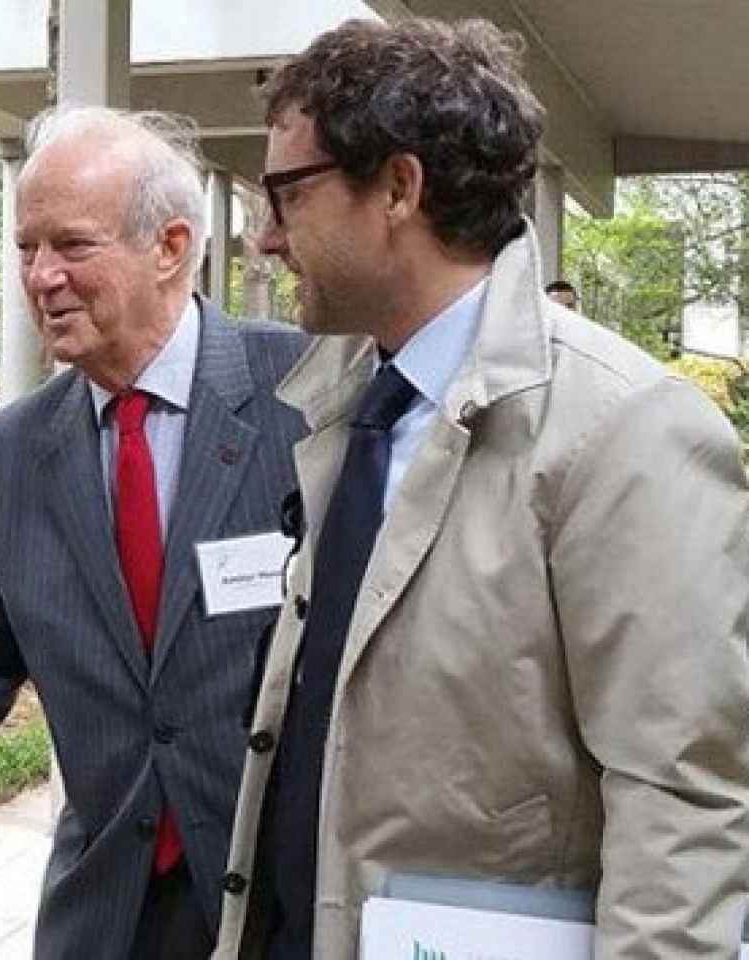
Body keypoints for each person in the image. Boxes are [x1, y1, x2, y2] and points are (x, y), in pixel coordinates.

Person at [215, 18, 749, 960]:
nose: (263, 239)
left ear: (397, 187)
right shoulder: (344, 405)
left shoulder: (628, 433)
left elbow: (683, 809)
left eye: (285, 196)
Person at [0, 106, 309, 960]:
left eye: (71, 246)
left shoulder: (308, 395)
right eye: (27, 248)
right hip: (106, 914)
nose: (41, 276)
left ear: (171, 247)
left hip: (281, 907)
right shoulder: (14, 453)